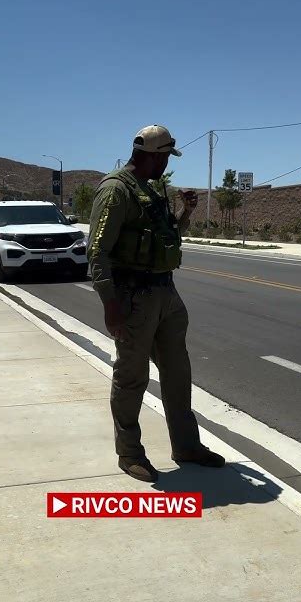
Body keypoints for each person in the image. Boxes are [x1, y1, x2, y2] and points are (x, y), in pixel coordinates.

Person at [87, 125, 225, 482]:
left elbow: (166, 237)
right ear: (151, 155)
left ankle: (186, 446)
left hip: (166, 293)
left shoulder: (153, 189)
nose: (167, 163)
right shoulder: (116, 190)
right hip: (133, 298)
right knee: (132, 378)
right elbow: (97, 250)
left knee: (178, 375)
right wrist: (110, 303)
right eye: (165, 157)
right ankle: (130, 453)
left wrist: (185, 212)